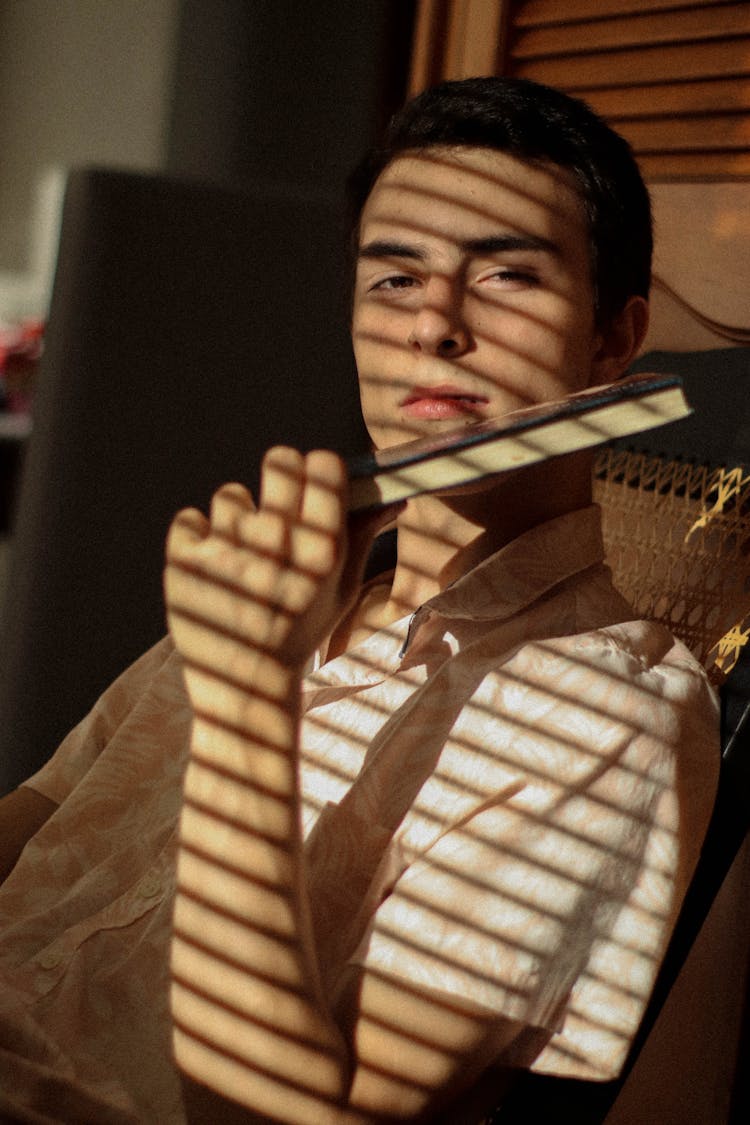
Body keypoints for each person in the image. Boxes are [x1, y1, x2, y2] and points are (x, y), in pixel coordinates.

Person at [0, 77, 718, 1124]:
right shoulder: (289, 592)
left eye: (507, 275)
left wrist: (251, 697)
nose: (434, 325)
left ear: (614, 340)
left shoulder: (607, 706)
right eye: (393, 280)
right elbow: (43, 818)